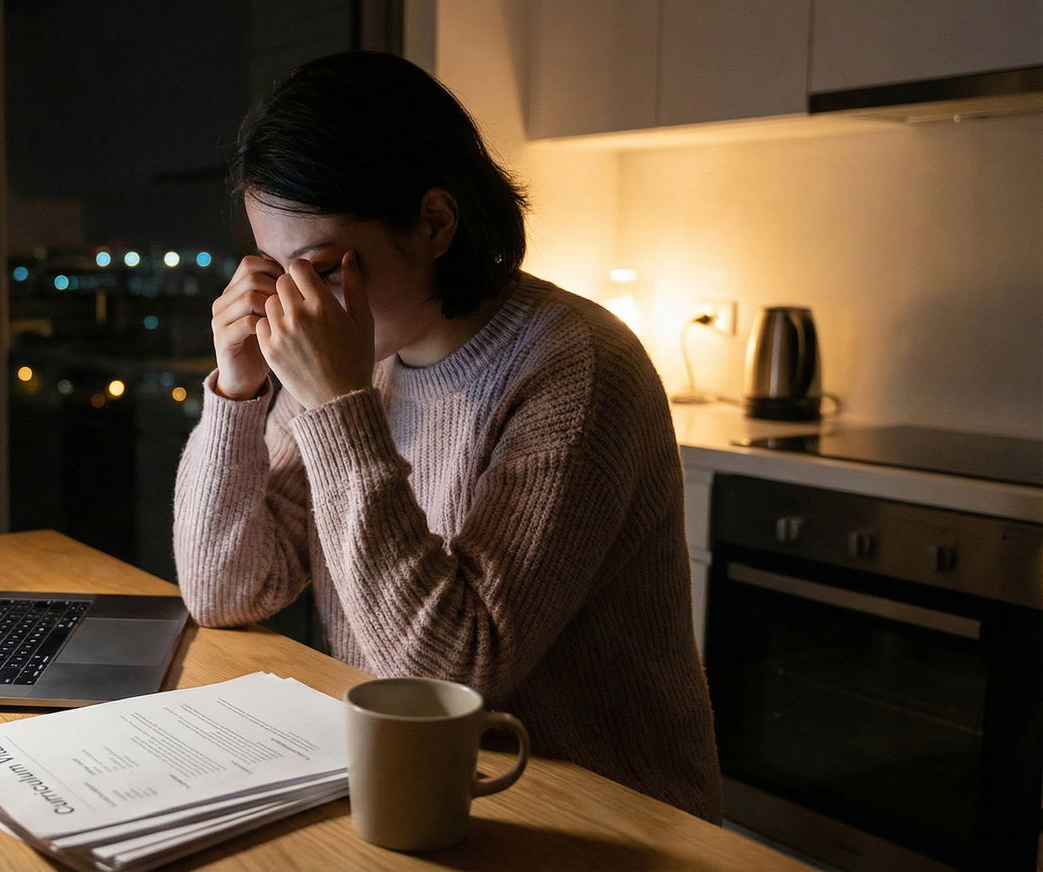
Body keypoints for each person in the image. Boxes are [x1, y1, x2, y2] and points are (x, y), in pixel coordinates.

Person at [171, 51, 721, 821]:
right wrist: (237, 392)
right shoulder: (354, 356)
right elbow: (227, 589)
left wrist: (337, 407)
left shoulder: (576, 365)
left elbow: (451, 674)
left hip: (601, 816)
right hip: (417, 792)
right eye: (274, 267)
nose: (295, 303)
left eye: (324, 266)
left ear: (434, 223)